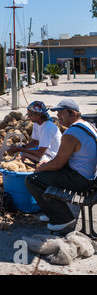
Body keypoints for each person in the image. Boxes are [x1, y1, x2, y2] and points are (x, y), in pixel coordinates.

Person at [25, 99, 97, 231]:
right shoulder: (88, 125)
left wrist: (40, 168)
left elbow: (58, 164)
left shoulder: (71, 133)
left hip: (81, 180)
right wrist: (48, 164)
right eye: (57, 113)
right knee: (46, 170)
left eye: (61, 112)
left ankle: (63, 218)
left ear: (73, 114)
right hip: (88, 176)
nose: (58, 116)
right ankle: (54, 211)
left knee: (33, 180)